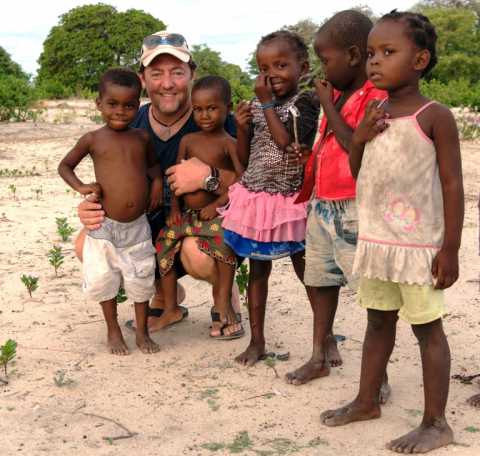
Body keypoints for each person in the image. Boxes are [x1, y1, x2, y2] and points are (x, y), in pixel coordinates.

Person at [320, 11, 463, 454]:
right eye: (370, 54)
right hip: (378, 243)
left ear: (419, 59)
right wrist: (359, 138)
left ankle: (436, 422)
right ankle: (367, 400)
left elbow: (453, 184)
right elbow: (360, 173)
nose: (374, 62)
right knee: (377, 322)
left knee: (427, 331)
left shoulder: (433, 115)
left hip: (418, 247)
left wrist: (451, 249)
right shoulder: (374, 112)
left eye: (387, 52)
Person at [76, 32, 241, 334]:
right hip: (149, 222)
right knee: (85, 242)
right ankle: (167, 298)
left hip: (205, 220)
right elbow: (112, 177)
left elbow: (251, 182)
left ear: (192, 74)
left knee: (198, 254)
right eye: (156, 73)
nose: (167, 83)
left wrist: (209, 178)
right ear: (142, 79)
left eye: (177, 72)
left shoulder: (218, 119)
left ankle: (225, 299)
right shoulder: (129, 122)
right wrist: (90, 205)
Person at [285, 10, 388, 387]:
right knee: (320, 280)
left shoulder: (376, 98)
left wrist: (327, 104)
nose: (320, 68)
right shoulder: (344, 94)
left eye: (326, 59)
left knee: (372, 297)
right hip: (323, 205)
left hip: (354, 209)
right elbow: (331, 146)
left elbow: (352, 144)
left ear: (353, 55)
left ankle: (378, 378)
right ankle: (320, 355)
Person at [220, 30, 320, 365]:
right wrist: (244, 128)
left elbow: (286, 143)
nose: (272, 74)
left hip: (290, 202)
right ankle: (257, 341)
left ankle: (325, 342)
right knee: (258, 272)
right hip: (257, 201)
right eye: (264, 67)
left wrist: (265, 104)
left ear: (302, 68)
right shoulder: (255, 108)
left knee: (308, 273)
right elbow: (245, 159)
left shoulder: (305, 104)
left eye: (281, 65)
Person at [59, 68, 163, 355]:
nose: (120, 111)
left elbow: (153, 167)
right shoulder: (93, 139)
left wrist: (156, 184)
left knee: (141, 279)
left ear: (138, 105)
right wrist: (81, 187)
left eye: (129, 105)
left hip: (138, 226)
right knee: (104, 279)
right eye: (112, 104)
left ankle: (142, 332)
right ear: (98, 104)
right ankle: (113, 329)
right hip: (105, 225)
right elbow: (64, 166)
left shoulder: (141, 138)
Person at [156, 76, 244, 339]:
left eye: (212, 108)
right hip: (186, 215)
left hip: (216, 215)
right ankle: (170, 307)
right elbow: (174, 176)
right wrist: (173, 209)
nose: (204, 115)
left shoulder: (228, 142)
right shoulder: (189, 140)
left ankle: (224, 304)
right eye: (198, 109)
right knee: (163, 246)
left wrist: (218, 203)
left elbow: (241, 180)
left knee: (224, 251)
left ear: (227, 108)